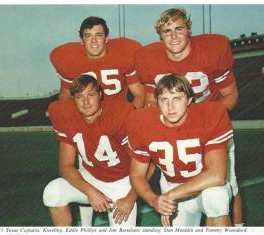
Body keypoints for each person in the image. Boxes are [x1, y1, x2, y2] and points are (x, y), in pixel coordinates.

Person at [133, 8, 242, 226]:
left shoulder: (211, 50)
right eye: (167, 31)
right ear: (160, 35)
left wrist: (207, 123)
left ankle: (238, 227)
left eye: (179, 29)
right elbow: (151, 102)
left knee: (226, 188)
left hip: (211, 127)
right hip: (173, 130)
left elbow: (230, 95)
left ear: (189, 29)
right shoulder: (148, 58)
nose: (173, 36)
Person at [127, 74, 233, 226]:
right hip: (172, 187)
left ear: (189, 100)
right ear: (157, 102)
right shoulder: (141, 122)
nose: (170, 107)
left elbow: (216, 176)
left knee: (216, 199)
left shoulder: (210, 115)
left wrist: (170, 196)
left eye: (177, 99)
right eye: (164, 100)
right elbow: (137, 175)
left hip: (204, 187)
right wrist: (154, 199)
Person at [43, 75, 137, 226]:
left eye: (90, 95)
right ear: (72, 99)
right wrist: (91, 192)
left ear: (100, 95)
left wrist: (130, 198)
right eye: (79, 97)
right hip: (92, 177)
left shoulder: (120, 113)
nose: (86, 102)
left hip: (123, 183)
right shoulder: (67, 116)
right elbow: (65, 166)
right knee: (52, 192)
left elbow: (146, 163)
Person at [50, 16, 145, 108]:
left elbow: (139, 95)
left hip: (117, 113)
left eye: (98, 35)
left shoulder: (123, 54)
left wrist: (128, 119)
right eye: (88, 36)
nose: (93, 41)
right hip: (86, 115)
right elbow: (65, 97)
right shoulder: (70, 59)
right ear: (82, 41)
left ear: (106, 38)